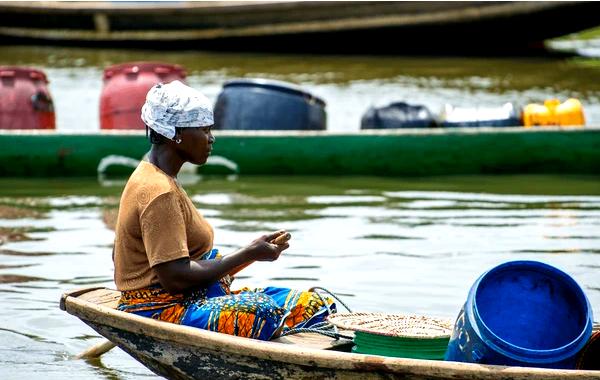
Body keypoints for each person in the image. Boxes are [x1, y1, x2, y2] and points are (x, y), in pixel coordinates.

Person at [112, 80, 335, 340]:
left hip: (191, 296)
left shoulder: (157, 174)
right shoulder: (158, 191)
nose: (211, 138)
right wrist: (248, 253)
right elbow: (175, 278)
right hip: (159, 309)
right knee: (264, 313)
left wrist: (252, 252)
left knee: (311, 305)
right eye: (204, 130)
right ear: (177, 134)